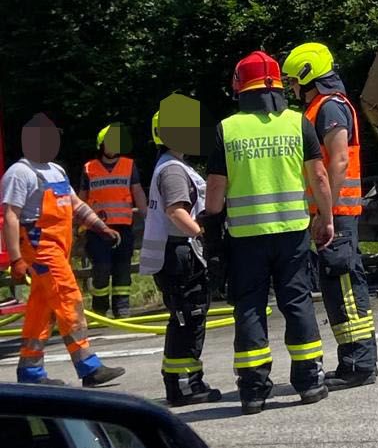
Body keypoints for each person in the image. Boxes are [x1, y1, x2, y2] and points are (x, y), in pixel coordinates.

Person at [204, 51, 335, 415]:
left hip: (246, 237)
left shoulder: (227, 129)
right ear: (278, 84)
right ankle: (309, 381)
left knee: (249, 307)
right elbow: (320, 177)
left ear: (239, 87)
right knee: (296, 302)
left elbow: (215, 188)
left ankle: (252, 391)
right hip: (293, 232)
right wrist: (326, 218)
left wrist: (211, 230)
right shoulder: (298, 123)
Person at [0, 113, 125, 386]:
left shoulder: (57, 171)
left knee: (41, 309)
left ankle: (30, 372)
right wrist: (17, 258)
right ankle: (88, 366)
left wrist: (99, 227)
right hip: (40, 249)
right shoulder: (20, 173)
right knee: (69, 297)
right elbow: (10, 215)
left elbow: (75, 205)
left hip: (59, 249)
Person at [282, 42, 378, 390]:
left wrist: (325, 213)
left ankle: (359, 364)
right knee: (339, 287)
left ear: (308, 76)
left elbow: (337, 161)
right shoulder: (324, 108)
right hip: (332, 212)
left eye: (294, 82)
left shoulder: (329, 109)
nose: (292, 89)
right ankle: (354, 360)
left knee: (346, 287)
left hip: (336, 213)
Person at [143, 95, 221, 406]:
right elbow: (177, 211)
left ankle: (184, 383)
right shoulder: (173, 170)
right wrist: (203, 233)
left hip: (176, 254)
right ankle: (185, 386)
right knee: (189, 319)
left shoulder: (172, 165)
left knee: (185, 319)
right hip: (179, 255)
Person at [81, 123, 147, 317]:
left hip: (124, 227)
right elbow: (81, 197)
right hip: (97, 229)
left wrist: (146, 215)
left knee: (122, 269)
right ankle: (100, 308)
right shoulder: (89, 168)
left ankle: (122, 308)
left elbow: (137, 192)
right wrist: (76, 222)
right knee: (101, 268)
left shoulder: (129, 165)